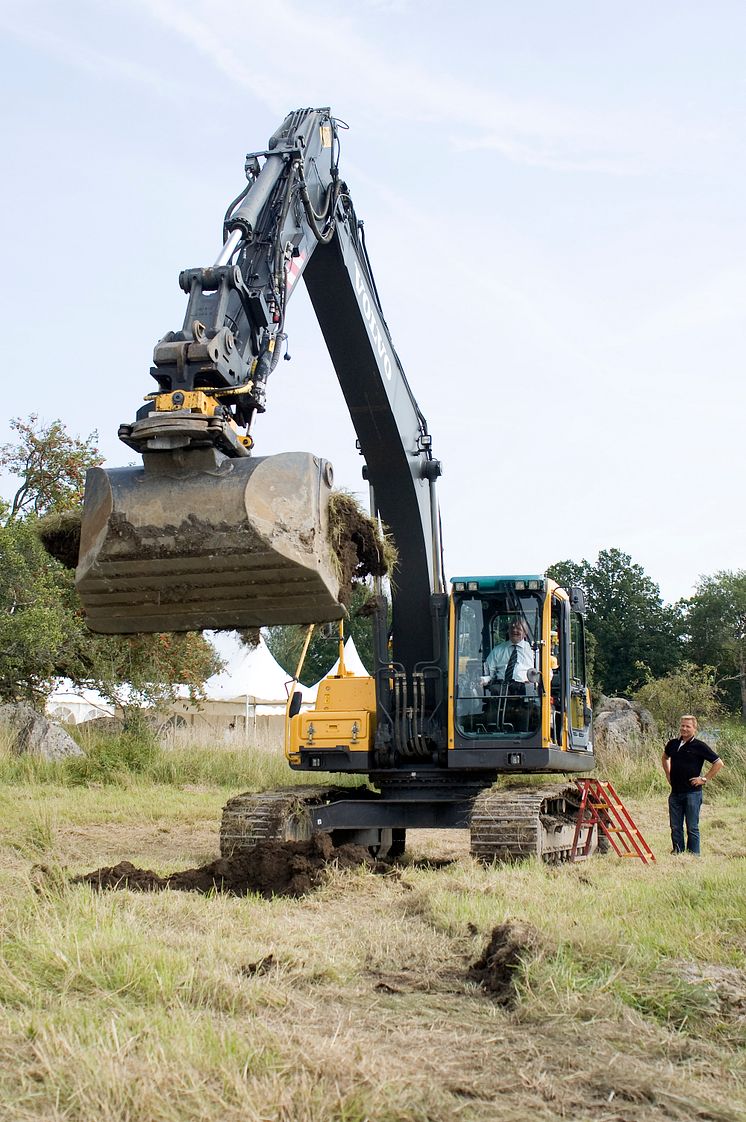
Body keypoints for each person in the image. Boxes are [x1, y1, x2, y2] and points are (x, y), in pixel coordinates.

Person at [662, 715, 724, 855]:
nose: (684, 728)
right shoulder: (672, 744)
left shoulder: (700, 746)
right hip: (675, 793)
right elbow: (665, 757)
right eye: (682, 725)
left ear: (694, 729)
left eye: (688, 726)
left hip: (692, 793)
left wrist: (704, 779)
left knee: (692, 827)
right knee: (675, 826)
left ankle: (694, 855)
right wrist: (668, 774)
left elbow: (718, 763)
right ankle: (678, 852)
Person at [484, 619, 535, 691]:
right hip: (502, 693)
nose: (514, 630)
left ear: (525, 632)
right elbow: (488, 673)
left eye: (518, 628)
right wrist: (484, 680)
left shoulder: (534, 651)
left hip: (527, 692)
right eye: (512, 628)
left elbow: (546, 673)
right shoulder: (497, 650)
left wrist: (536, 681)